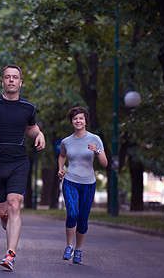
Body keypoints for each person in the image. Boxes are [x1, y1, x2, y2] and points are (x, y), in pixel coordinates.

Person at [0, 64, 45, 271]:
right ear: (3, 81)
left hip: (18, 162)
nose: (11, 80)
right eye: (8, 77)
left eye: (15, 77)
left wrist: (39, 135)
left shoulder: (29, 107)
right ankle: (3, 216)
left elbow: (32, 128)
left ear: (20, 82)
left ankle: (10, 254)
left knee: (14, 204)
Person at [57, 106, 108, 264]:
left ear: (86, 121)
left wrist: (98, 152)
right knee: (72, 214)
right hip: (71, 181)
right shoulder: (66, 141)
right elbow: (62, 155)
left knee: (83, 219)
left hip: (88, 183)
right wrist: (60, 169)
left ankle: (78, 250)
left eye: (81, 118)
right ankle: (69, 246)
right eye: (75, 118)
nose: (78, 121)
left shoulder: (95, 139)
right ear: (71, 122)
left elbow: (105, 163)